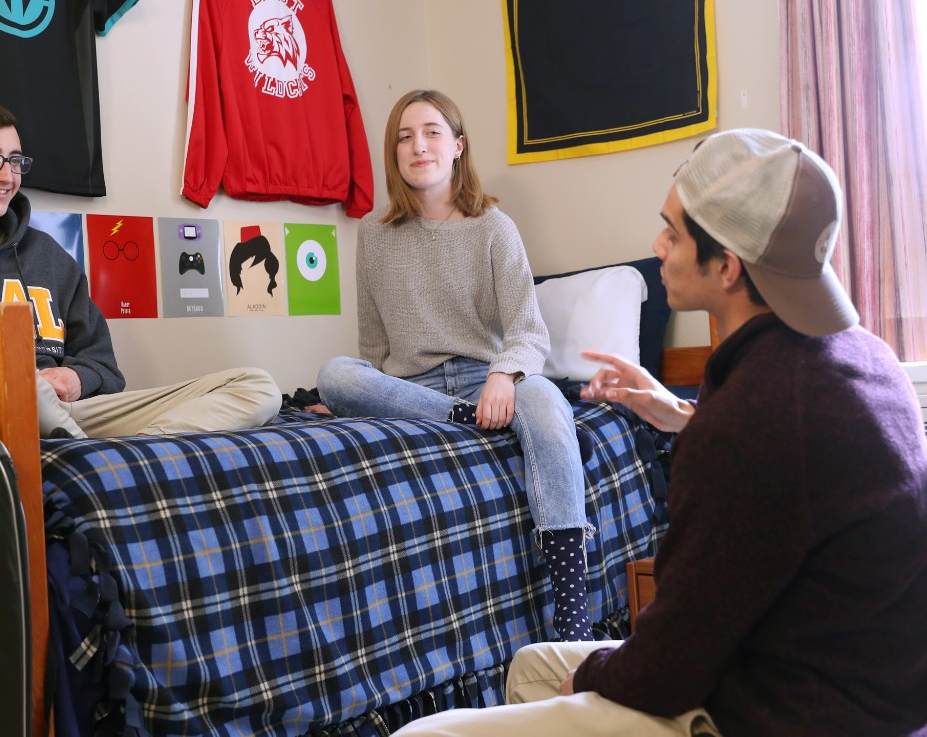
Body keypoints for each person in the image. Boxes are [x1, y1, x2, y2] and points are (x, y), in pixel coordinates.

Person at [392, 129, 927, 736]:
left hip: (790, 713)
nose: (657, 245)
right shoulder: (861, 360)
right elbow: (791, 468)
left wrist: (591, 679)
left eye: (672, 233)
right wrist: (682, 415)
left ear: (726, 267)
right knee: (531, 665)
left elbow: (672, 662)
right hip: (842, 682)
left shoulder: (752, 418)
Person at [316, 89, 594, 643]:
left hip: (486, 378)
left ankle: (572, 614)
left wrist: (503, 376)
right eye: (404, 137)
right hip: (414, 391)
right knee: (334, 375)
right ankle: (468, 421)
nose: (418, 146)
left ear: (458, 146)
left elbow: (528, 331)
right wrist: (357, 398)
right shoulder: (373, 235)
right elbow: (372, 346)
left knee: (544, 402)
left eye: (432, 132)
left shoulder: (494, 227)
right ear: (394, 153)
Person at [0, 101, 281, 439]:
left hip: (73, 411)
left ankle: (124, 449)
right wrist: (13, 379)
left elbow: (105, 367)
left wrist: (75, 377)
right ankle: (85, 455)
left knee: (256, 387)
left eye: (15, 160)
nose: (7, 175)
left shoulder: (49, 255)